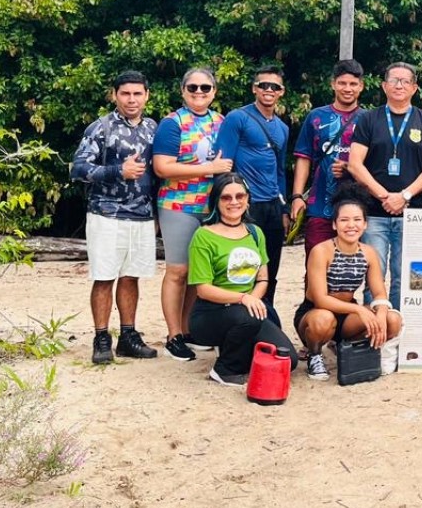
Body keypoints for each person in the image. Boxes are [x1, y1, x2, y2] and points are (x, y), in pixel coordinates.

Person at [70, 70, 160, 364]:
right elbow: (78, 169)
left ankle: (128, 337)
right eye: (125, 93)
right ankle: (101, 338)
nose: (131, 99)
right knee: (104, 276)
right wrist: (116, 171)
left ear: (147, 95)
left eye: (137, 93)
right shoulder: (101, 128)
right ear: (114, 95)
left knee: (131, 277)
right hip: (106, 213)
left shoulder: (153, 128)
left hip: (143, 215)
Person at [186, 174, 298, 386]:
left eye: (240, 196)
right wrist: (244, 300)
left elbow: (263, 279)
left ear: (248, 199)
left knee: (287, 359)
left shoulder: (255, 232)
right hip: (211, 312)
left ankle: (236, 347)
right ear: (216, 201)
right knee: (248, 318)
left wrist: (252, 300)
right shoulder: (203, 235)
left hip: (246, 310)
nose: (234, 202)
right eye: (226, 198)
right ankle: (224, 370)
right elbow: (203, 289)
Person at [152, 67, 233, 362]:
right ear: (183, 91)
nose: (199, 93)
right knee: (177, 270)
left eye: (205, 88)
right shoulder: (172, 123)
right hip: (178, 205)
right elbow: (163, 167)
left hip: (211, 206)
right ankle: (173, 335)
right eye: (193, 88)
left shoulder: (221, 121)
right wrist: (208, 169)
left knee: (197, 273)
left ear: (214, 91)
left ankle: (188, 330)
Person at [347, 62, 422, 311]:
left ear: (414, 87)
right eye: (394, 80)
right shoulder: (368, 119)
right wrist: (383, 195)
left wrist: (404, 195)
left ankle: (399, 330)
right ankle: (372, 331)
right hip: (375, 212)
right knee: (373, 276)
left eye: (405, 81)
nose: (399, 85)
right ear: (384, 85)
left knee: (405, 277)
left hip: (412, 213)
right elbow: (355, 164)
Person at [294, 195, 402, 380]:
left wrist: (381, 314)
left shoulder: (368, 253)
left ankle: (358, 350)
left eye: (357, 220)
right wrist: (359, 309)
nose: (351, 225)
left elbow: (379, 292)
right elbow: (320, 299)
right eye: (344, 220)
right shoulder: (321, 251)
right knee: (323, 318)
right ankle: (314, 355)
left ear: (365, 224)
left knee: (393, 319)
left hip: (347, 318)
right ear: (335, 225)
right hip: (315, 313)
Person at [217, 65, 291, 318]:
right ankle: (237, 319)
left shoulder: (282, 127)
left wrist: (284, 208)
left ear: (282, 92)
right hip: (245, 203)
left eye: (275, 87)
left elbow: (280, 170)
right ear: (254, 88)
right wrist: (229, 203)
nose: (268, 90)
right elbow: (223, 164)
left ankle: (265, 314)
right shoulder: (238, 118)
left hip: (271, 203)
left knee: (270, 265)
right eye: (263, 85)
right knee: (241, 264)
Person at [290, 59, 365, 254]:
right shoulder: (316, 116)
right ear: (333, 84)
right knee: (315, 263)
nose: (347, 88)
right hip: (319, 205)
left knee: (350, 269)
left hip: (357, 209)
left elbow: (375, 163)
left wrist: (350, 168)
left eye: (353, 84)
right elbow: (303, 157)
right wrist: (297, 196)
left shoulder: (370, 119)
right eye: (342, 83)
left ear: (361, 86)